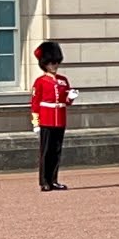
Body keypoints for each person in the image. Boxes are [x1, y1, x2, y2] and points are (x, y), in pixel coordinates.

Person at [30, 41, 78, 192]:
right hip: (46, 119)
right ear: (45, 64)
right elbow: (35, 104)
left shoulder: (63, 80)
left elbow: (66, 102)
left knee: (56, 151)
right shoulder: (40, 82)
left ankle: (54, 180)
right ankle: (44, 181)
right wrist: (36, 123)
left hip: (60, 119)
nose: (54, 65)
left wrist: (71, 97)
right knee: (46, 152)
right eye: (51, 63)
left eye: (56, 62)